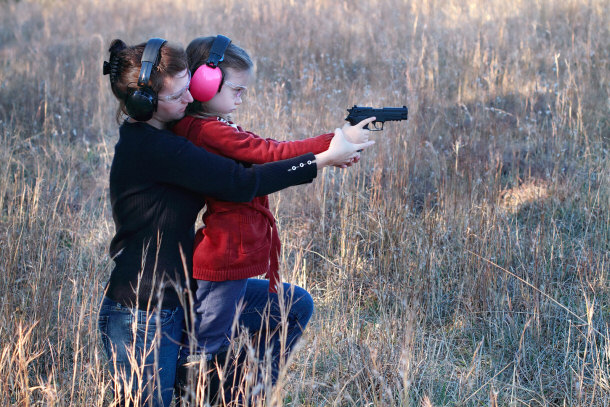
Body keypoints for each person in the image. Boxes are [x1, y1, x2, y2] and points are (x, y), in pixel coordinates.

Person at [97, 37, 374, 407]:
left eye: (190, 89)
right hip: (142, 314)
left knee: (293, 306)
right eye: (178, 95)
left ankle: (239, 398)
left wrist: (330, 144)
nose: (189, 99)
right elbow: (242, 183)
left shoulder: (174, 133)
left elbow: (250, 157)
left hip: (181, 294)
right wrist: (320, 160)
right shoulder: (155, 148)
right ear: (142, 102)